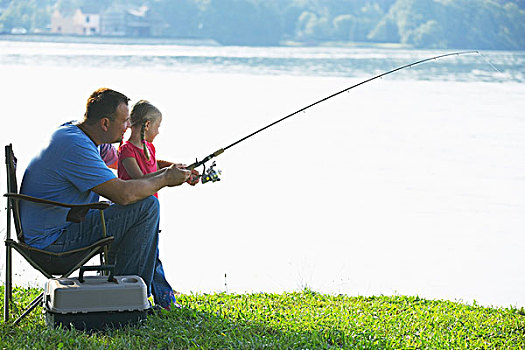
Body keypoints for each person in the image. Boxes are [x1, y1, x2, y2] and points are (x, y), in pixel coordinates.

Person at [19, 88, 197, 306]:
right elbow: (124, 194)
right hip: (52, 246)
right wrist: (166, 179)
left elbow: (122, 162)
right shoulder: (76, 146)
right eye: (124, 122)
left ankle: (133, 291)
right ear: (105, 123)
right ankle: (130, 299)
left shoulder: (84, 135)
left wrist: (174, 169)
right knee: (147, 206)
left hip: (62, 228)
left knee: (139, 206)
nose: (128, 127)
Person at [118, 99, 193, 309]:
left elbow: (154, 167)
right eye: (158, 126)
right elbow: (142, 179)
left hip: (151, 212)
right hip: (134, 214)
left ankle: (160, 299)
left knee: (154, 256)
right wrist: (168, 176)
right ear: (147, 125)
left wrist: (179, 171)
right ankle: (162, 300)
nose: (159, 132)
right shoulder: (126, 151)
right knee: (152, 258)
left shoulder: (149, 147)